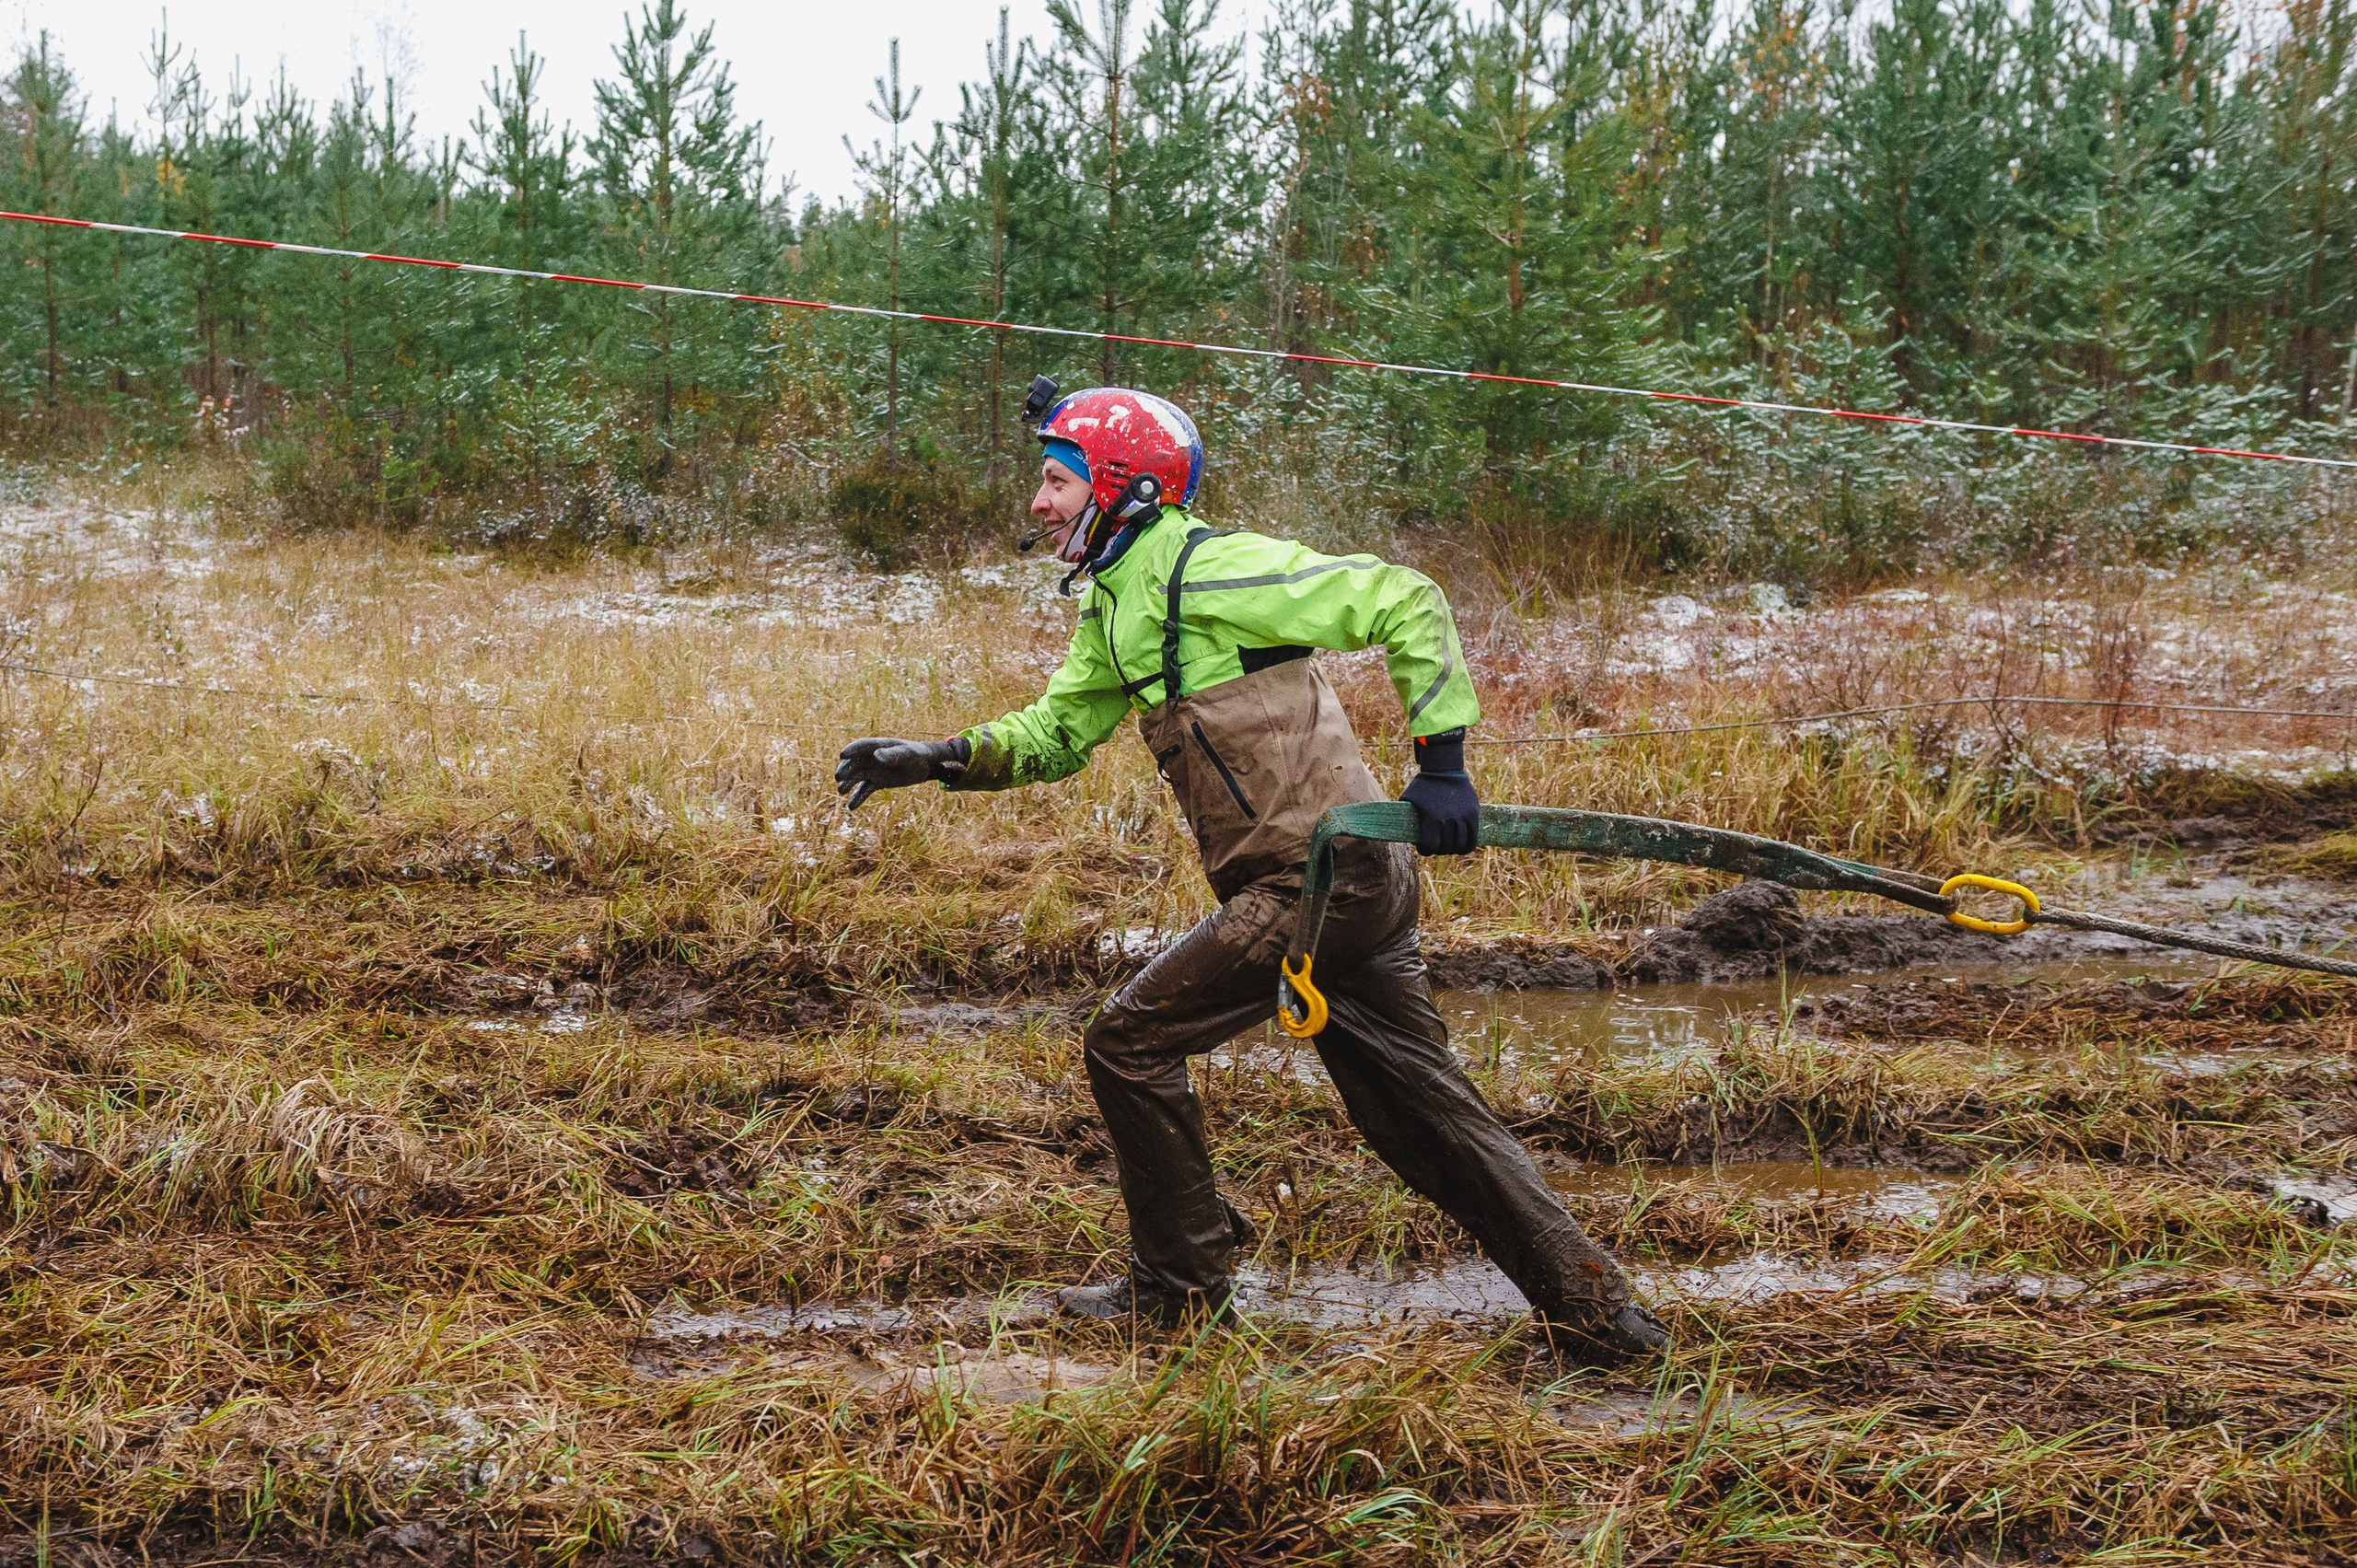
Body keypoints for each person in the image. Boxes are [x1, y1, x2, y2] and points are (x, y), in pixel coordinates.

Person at [835, 383, 1668, 1359]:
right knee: (1422, 1115)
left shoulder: (1213, 569)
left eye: (1056, 482)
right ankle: (1599, 1317)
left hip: (1321, 880)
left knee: (1128, 1040)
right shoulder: (1119, 602)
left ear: (1122, 488)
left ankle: (1181, 1289)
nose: (1038, 503)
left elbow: (1405, 597)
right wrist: (938, 757)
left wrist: (1442, 765)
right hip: (1333, 883)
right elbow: (1060, 731)